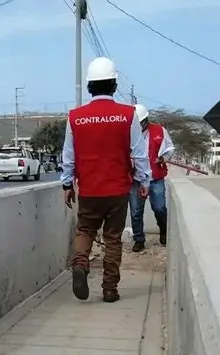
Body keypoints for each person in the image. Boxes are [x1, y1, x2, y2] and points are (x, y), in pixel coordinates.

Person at [61, 57, 152, 303]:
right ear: (114, 84)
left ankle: (80, 264)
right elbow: (139, 153)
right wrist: (144, 182)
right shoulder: (128, 115)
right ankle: (110, 289)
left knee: (85, 229)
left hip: (89, 189)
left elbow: (68, 156)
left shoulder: (75, 117)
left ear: (90, 86)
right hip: (117, 190)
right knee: (113, 238)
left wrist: (68, 184)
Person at [129, 103, 176, 250]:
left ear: (145, 120)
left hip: (155, 177)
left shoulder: (159, 131)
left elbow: (169, 148)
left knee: (160, 208)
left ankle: (164, 231)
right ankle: (139, 239)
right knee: (136, 211)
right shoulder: (128, 133)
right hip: (136, 178)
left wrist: (163, 158)